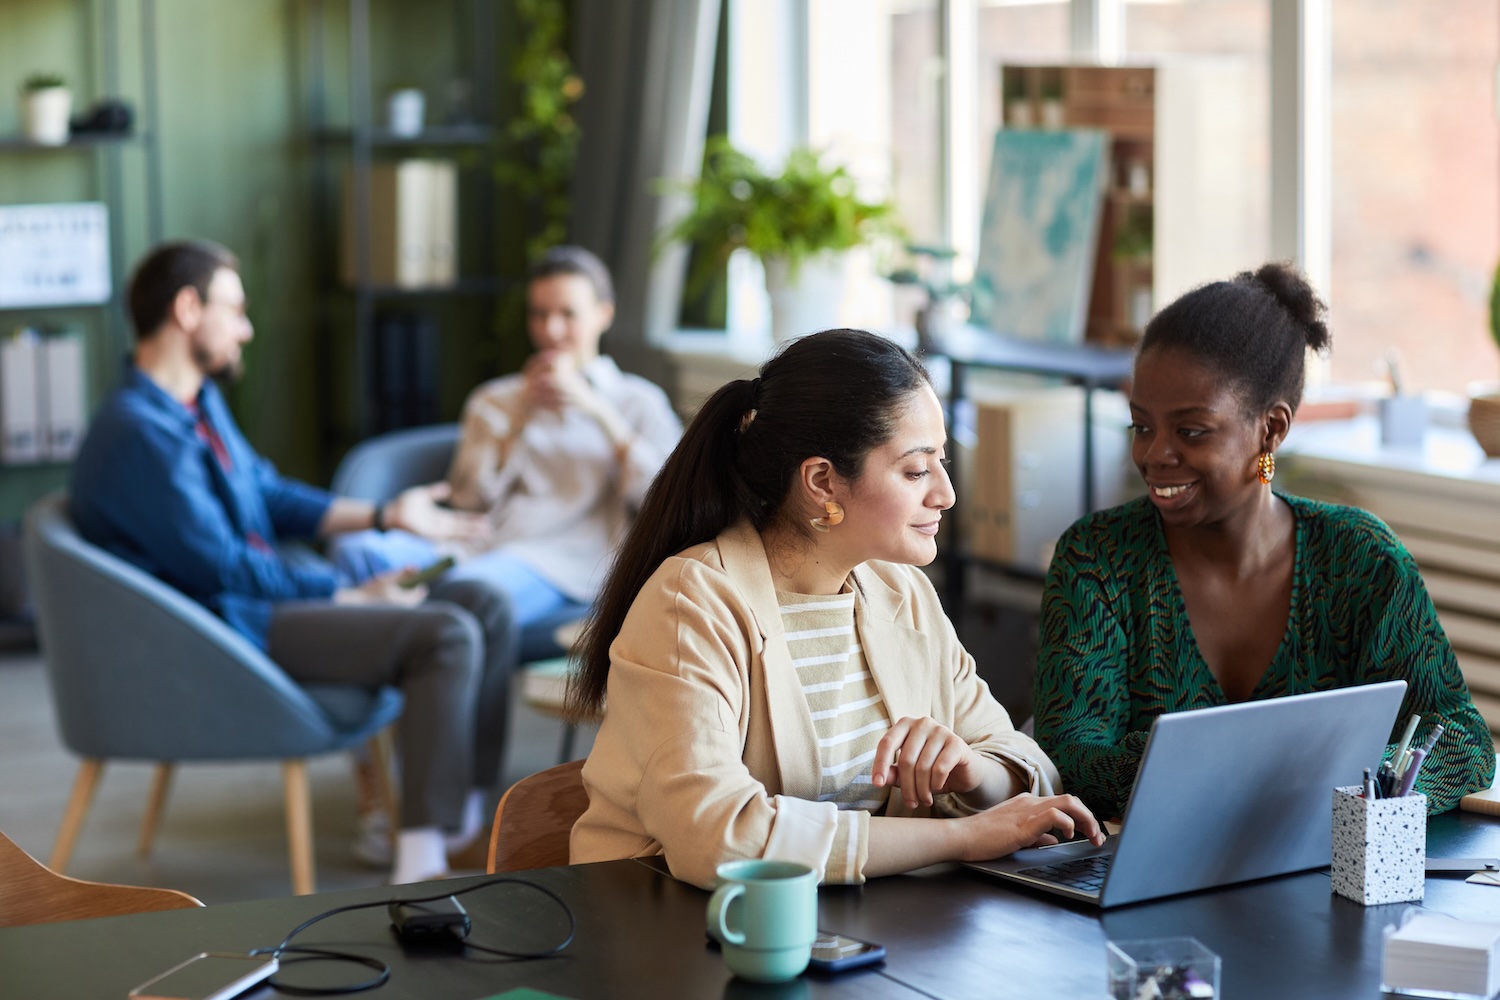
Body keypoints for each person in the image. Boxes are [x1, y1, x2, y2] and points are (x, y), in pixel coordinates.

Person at [568, 328, 1102, 889]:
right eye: (917, 470)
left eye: (941, 462)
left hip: (853, 935)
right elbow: (720, 836)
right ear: (823, 481)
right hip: (669, 937)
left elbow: (1029, 764)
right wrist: (962, 837)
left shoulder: (902, 593)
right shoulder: (694, 602)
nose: (945, 493)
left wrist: (973, 774)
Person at [70, 239, 515, 884]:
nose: (246, 329)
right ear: (188, 308)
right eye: (237, 309)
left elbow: (267, 493)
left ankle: (472, 822)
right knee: (442, 634)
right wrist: (346, 590)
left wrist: (387, 514)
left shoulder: (195, 403)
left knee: (485, 604)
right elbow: (222, 568)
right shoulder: (138, 433)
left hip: (260, 599)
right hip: (230, 628)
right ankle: (421, 862)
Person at [1032, 262, 1495, 820]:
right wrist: (1299, 769)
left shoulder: (1362, 561)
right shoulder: (1097, 558)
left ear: (1271, 429)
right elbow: (1070, 759)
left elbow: (1461, 742)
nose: (1154, 454)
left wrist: (1228, 768)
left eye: (1191, 430)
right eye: (1142, 425)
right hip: (1146, 885)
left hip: (1322, 882)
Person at [328, 245, 682, 661]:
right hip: (479, 546)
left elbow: (663, 501)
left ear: (603, 314)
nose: (551, 330)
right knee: (357, 553)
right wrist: (518, 419)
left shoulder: (637, 401)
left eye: (568, 314)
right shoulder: (496, 399)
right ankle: (374, 700)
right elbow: (468, 499)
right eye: (539, 313)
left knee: (466, 590)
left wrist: (598, 412)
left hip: (563, 562)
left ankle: (417, 692)